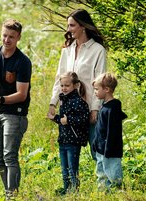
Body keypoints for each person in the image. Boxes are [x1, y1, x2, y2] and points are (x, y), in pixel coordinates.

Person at [0, 18, 32, 199]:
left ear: (18, 38)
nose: (6, 40)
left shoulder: (23, 62)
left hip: (15, 115)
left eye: (11, 37)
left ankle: (12, 197)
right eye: (4, 35)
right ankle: (9, 192)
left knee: (10, 157)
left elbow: (21, 94)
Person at [48, 9, 106, 161]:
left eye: (72, 25)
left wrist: (95, 109)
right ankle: (72, 185)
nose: (68, 30)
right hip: (69, 110)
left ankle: (107, 184)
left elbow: (100, 81)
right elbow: (58, 78)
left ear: (83, 26)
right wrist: (53, 103)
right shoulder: (67, 50)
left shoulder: (98, 50)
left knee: (97, 151)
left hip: (90, 108)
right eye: (68, 26)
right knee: (70, 152)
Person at [47, 71, 89, 195]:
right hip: (63, 139)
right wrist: (54, 118)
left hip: (73, 141)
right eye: (62, 85)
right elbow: (63, 120)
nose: (64, 88)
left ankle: (74, 191)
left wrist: (68, 120)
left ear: (75, 85)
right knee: (64, 168)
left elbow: (83, 118)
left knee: (72, 169)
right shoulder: (63, 100)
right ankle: (66, 189)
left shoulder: (79, 102)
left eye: (67, 85)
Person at [92, 73, 127, 191]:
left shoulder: (114, 107)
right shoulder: (104, 105)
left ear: (106, 89)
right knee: (101, 173)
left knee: (113, 173)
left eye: (97, 89)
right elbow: (100, 128)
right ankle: (103, 194)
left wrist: (109, 148)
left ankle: (117, 194)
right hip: (101, 149)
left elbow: (113, 131)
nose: (95, 92)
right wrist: (95, 143)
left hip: (111, 150)